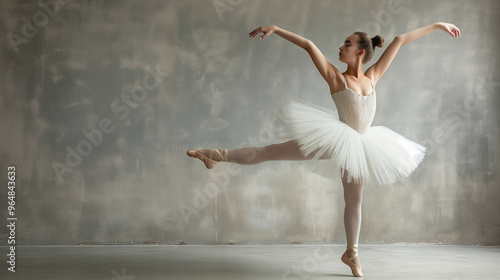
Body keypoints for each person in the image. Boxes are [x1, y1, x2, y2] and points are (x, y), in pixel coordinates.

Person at [187, 22, 460, 277]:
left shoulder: (373, 77)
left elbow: (400, 40)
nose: (341, 47)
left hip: (362, 146)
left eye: (347, 44)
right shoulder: (336, 78)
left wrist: (437, 25)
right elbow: (308, 44)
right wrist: (277, 29)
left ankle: (351, 253)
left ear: (360, 52)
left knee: (354, 201)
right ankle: (215, 154)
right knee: (271, 151)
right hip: (335, 139)